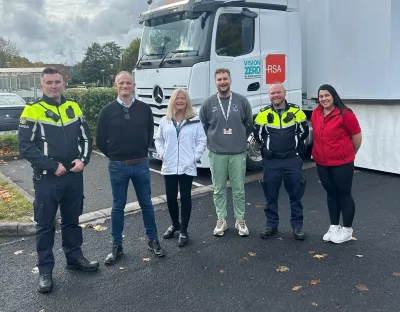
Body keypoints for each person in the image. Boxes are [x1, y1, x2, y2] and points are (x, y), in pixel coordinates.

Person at [18, 67, 99, 294]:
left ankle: (74, 258)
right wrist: (52, 166)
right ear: (41, 86)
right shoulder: (32, 110)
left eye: (57, 82)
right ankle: (45, 271)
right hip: (47, 180)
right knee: (45, 225)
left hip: (74, 177)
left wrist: (83, 160)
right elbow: (25, 146)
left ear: (63, 84)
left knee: (72, 220)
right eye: (49, 83)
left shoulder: (73, 106)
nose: (54, 86)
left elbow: (86, 137)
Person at [96, 71, 165, 265]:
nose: (125, 86)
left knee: (147, 204)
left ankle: (153, 240)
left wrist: (141, 152)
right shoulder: (107, 111)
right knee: (118, 206)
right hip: (118, 166)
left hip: (141, 165)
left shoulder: (144, 109)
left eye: (128, 83)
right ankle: (116, 245)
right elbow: (100, 139)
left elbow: (150, 132)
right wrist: (115, 156)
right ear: (115, 86)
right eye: (121, 83)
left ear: (133, 86)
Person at [199, 68, 253, 237]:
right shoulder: (208, 104)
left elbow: (248, 123)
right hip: (217, 154)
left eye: (225, 79)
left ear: (230, 80)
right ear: (215, 82)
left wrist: (238, 139)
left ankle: (240, 220)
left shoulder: (242, 101)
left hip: (238, 153)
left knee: (238, 189)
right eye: (219, 79)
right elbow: (204, 125)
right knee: (218, 189)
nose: (222, 82)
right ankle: (221, 219)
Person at [254, 83, 309, 240]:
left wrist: (296, 146)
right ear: (269, 96)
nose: (275, 95)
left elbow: (304, 132)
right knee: (270, 195)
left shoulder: (296, 111)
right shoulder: (262, 114)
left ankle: (297, 226)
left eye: (278, 92)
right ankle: (271, 225)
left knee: (296, 194)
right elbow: (257, 135)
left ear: (284, 94)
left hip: (292, 159)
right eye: (272, 93)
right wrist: (267, 148)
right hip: (272, 161)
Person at [154, 89, 206, 247]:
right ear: (173, 101)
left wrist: (194, 157)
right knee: (170, 198)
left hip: (186, 166)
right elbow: (158, 139)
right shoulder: (166, 120)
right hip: (169, 165)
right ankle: (175, 224)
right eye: (177, 98)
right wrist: (162, 154)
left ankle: (184, 230)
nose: (180, 101)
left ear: (187, 101)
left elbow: (202, 140)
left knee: (185, 198)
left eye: (183, 98)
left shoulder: (195, 120)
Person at [311, 84, 362, 244]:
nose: (324, 99)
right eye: (321, 96)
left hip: (342, 162)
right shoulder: (315, 113)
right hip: (322, 162)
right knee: (331, 193)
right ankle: (334, 226)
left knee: (344, 194)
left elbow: (357, 137)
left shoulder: (345, 114)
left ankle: (347, 229)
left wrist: (349, 153)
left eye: (327, 95)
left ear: (334, 96)